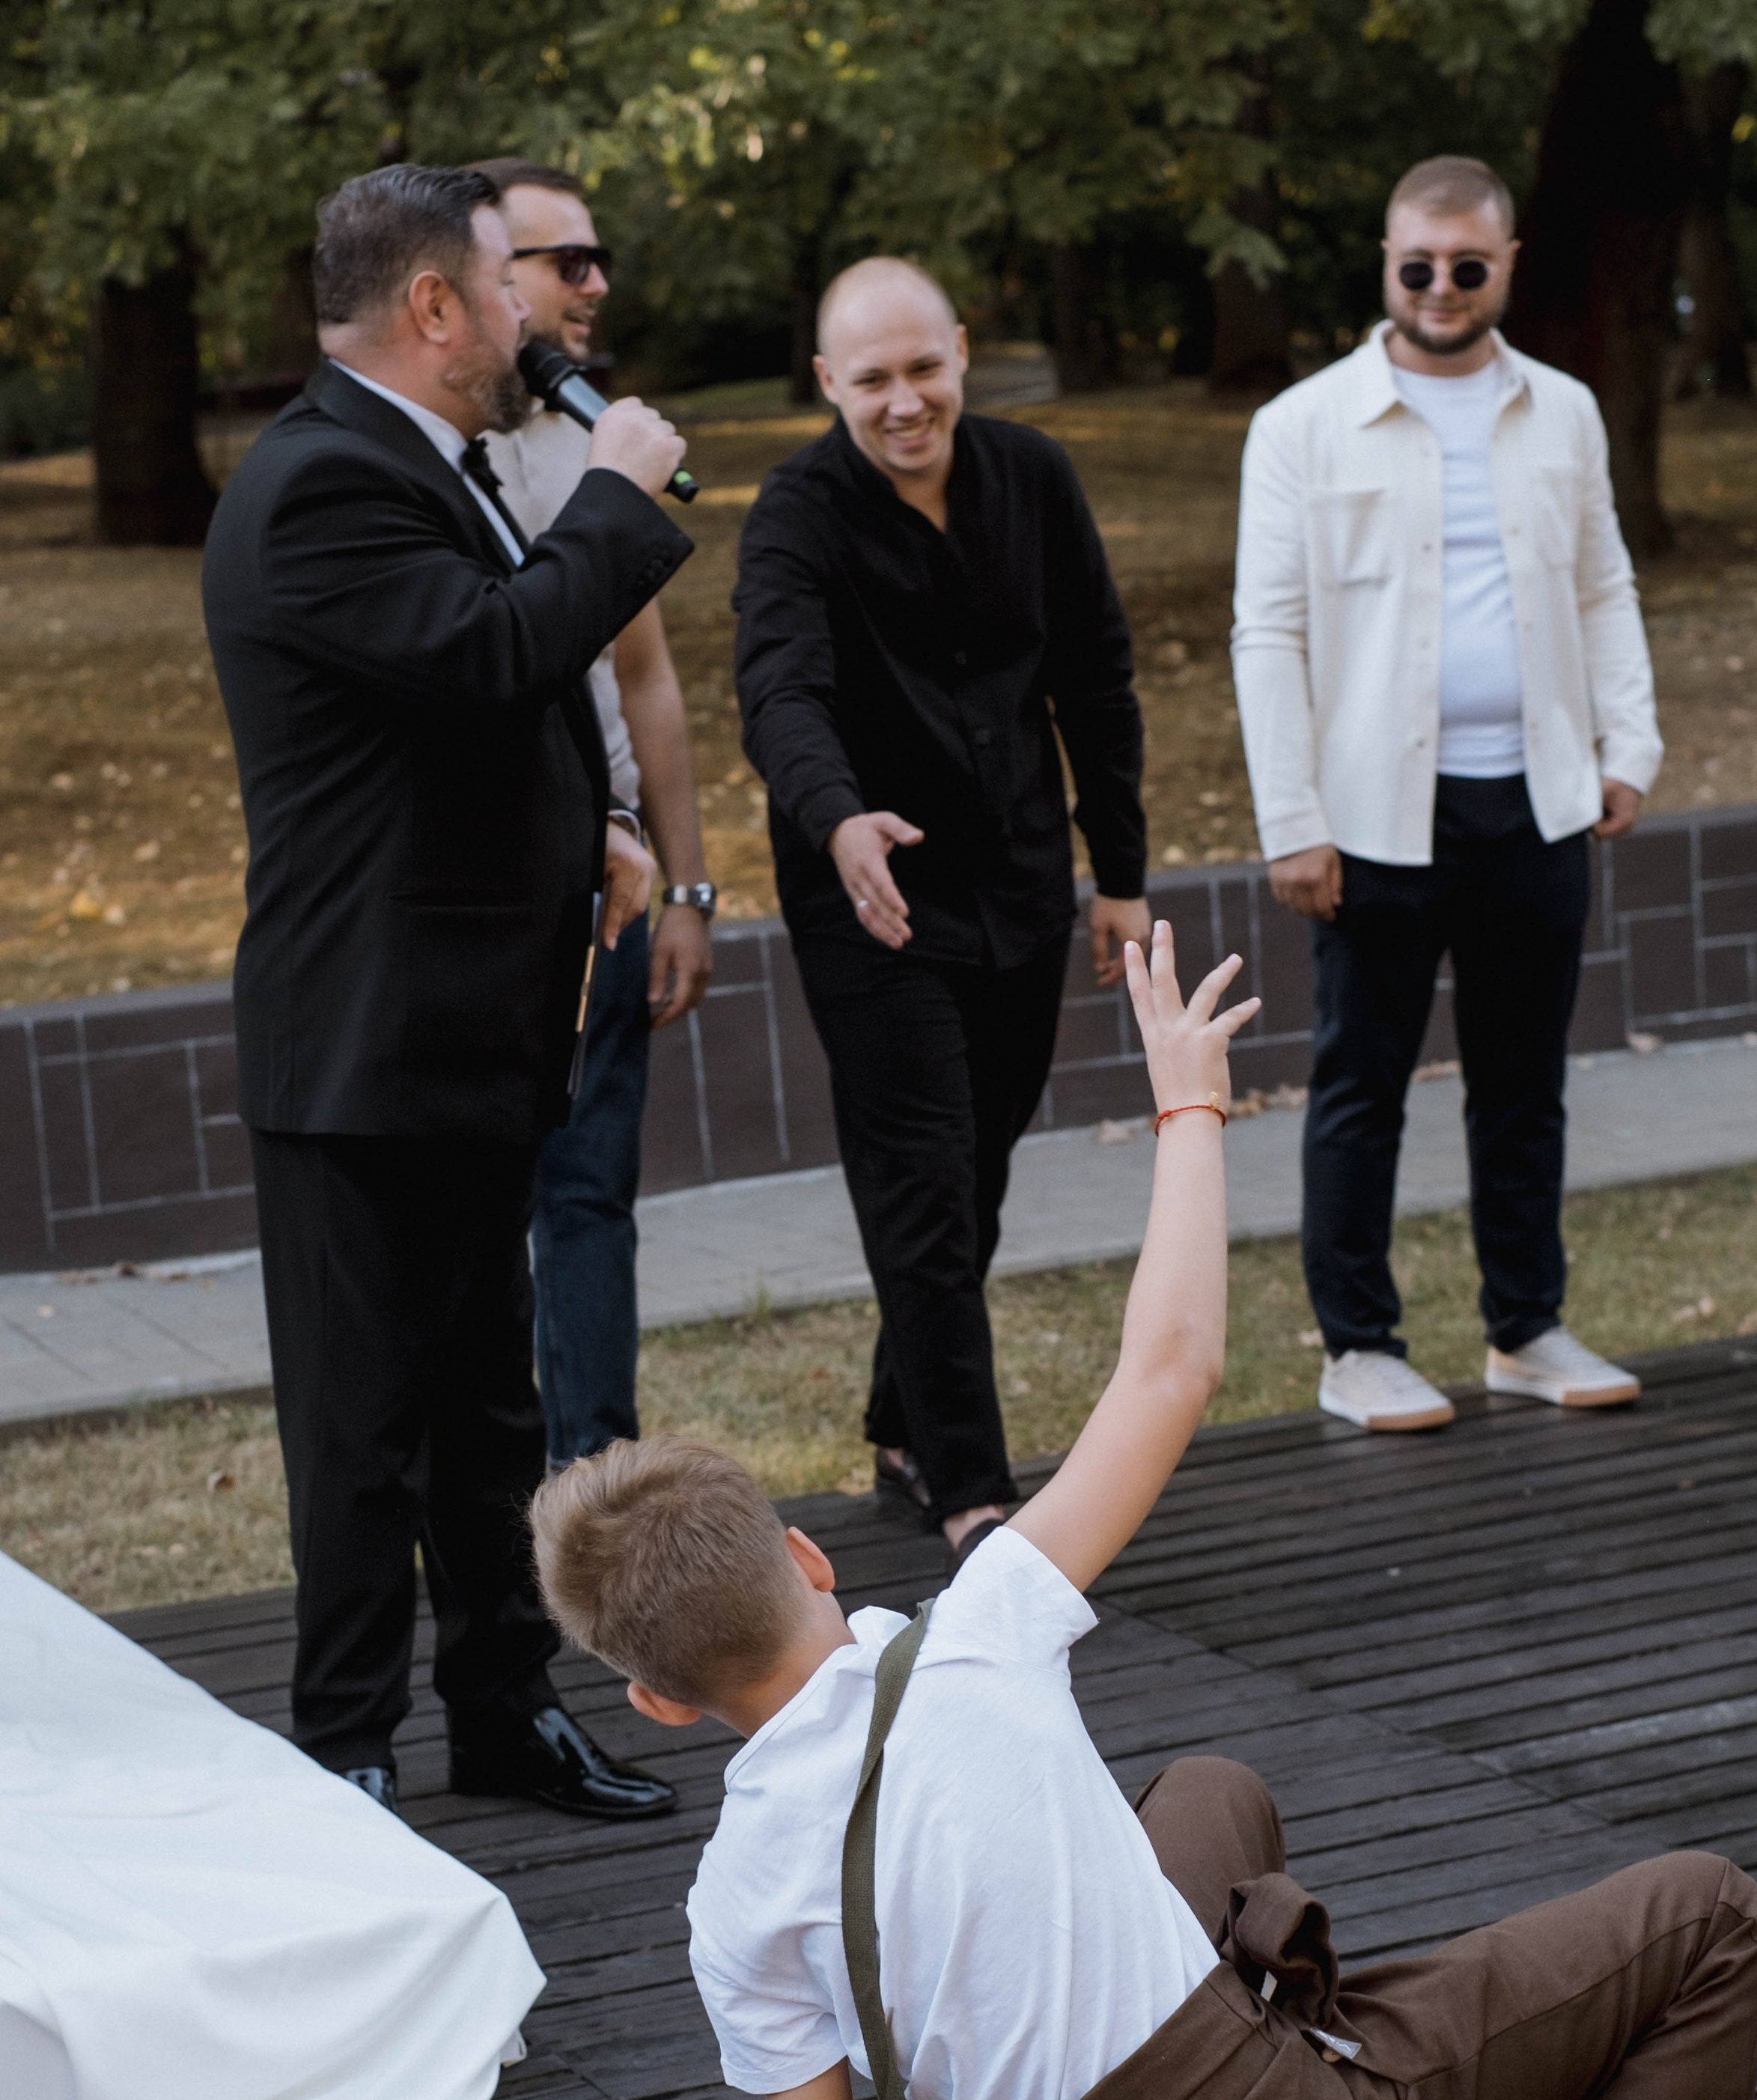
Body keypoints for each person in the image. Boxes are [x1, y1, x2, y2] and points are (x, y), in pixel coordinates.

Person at [530, 921, 1757, 2100]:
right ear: (812, 1561)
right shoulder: (975, 1631)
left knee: (1208, 1792)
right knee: (1704, 1919)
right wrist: (1186, 1107)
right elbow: (1170, 1366)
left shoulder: (734, 1893)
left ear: (661, 1707)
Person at [202, 163, 692, 1821]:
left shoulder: (431, 461)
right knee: (360, 1437)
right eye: (504, 285)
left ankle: (503, 1714)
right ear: (431, 308)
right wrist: (614, 492)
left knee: (490, 1407)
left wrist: (602, 834)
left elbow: (474, 710)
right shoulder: (320, 484)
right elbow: (495, 651)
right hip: (361, 1044)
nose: (531, 315)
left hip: (472, 1022)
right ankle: (344, 1756)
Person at [1232, 155, 1663, 1434]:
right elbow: (1269, 633)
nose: (1438, 288)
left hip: (1535, 802)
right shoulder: (1303, 425)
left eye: (1465, 267)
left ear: (1506, 266)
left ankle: (1524, 1326)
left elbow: (1604, 588)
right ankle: (1357, 1344)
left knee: (1525, 1082)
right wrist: (1292, 818)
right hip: (1370, 820)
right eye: (1414, 265)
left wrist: (1625, 746)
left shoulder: (1568, 413)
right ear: (1386, 263)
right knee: (1361, 1085)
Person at [734, 258, 1151, 1561]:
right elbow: (779, 694)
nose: (905, 402)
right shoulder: (797, 516)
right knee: (920, 1180)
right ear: (827, 385)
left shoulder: (1035, 477)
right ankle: (972, 1489)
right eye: (872, 380)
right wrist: (838, 813)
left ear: (962, 352)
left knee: (976, 1173)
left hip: (1021, 881)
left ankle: (900, 1415)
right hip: (875, 902)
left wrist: (1121, 874)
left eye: (925, 369)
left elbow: (1096, 680)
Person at [474, 158, 716, 1471]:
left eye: (597, 256)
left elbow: (649, 675)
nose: (596, 283)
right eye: (568, 259)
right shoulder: (431, 456)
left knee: (592, 1196)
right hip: (486, 889)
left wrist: (691, 887)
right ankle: (495, 1496)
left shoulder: (594, 440)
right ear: (475, 278)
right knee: (478, 1213)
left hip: (615, 888)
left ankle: (600, 1482)